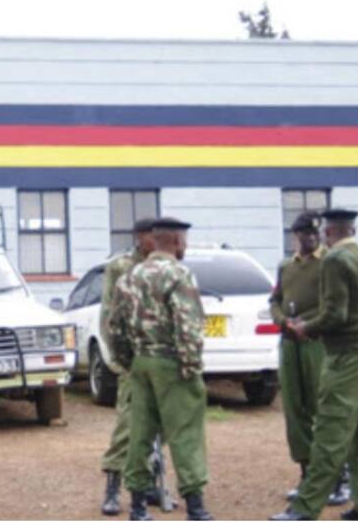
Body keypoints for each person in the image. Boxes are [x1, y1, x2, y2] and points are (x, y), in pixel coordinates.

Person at [271, 208, 358, 521]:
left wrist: (306, 328)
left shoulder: (334, 260)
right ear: (352, 230)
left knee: (329, 432)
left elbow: (336, 314)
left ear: (328, 233)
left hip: (345, 354)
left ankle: (305, 508)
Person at [109, 217, 212, 521]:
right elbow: (188, 327)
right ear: (177, 242)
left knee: (140, 433)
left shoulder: (130, 276)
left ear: (153, 241)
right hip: (172, 363)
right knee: (186, 433)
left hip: (140, 363)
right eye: (185, 241)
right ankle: (196, 507)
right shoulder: (180, 275)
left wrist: (129, 362)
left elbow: (114, 326)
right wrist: (191, 367)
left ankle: (138, 507)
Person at [269, 211, 350, 505]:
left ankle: (339, 478)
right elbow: (275, 300)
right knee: (296, 410)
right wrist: (283, 322)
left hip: (317, 341)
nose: (312, 238)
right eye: (305, 233)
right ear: (296, 235)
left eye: (316, 233)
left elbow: (334, 304)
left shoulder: (329, 263)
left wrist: (309, 324)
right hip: (291, 342)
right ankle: (307, 475)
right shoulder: (286, 266)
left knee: (324, 409)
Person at [97, 217, 157, 516]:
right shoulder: (121, 267)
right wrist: (120, 360)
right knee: (126, 426)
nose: (154, 240)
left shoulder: (164, 267)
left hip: (160, 359)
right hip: (132, 360)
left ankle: (149, 484)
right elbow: (108, 316)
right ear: (138, 236)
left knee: (158, 426)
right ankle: (112, 485)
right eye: (150, 235)